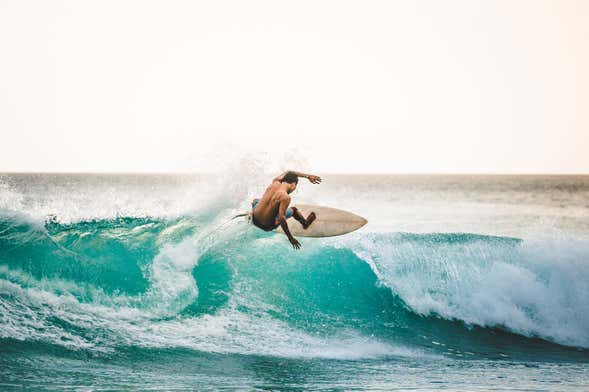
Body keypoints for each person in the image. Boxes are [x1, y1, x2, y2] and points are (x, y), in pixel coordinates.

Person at [251, 170, 321, 249]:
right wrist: (290, 238)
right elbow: (282, 218)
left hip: (254, 219)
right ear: (293, 185)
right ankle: (305, 223)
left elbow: (289, 172)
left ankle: (251, 214)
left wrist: (308, 176)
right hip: (266, 226)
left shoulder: (275, 182)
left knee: (255, 201)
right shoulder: (285, 197)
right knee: (294, 210)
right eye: (295, 187)